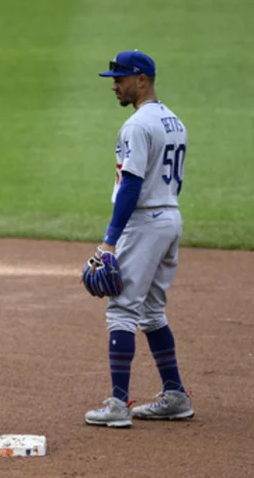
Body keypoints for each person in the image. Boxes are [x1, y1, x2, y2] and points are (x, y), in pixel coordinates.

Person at [84, 50, 194, 428]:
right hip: (170, 218)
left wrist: (109, 242)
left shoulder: (136, 125)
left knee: (122, 309)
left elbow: (130, 185)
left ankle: (117, 404)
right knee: (150, 310)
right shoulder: (174, 120)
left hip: (145, 221)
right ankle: (175, 394)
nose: (114, 85)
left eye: (120, 78)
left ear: (142, 79)